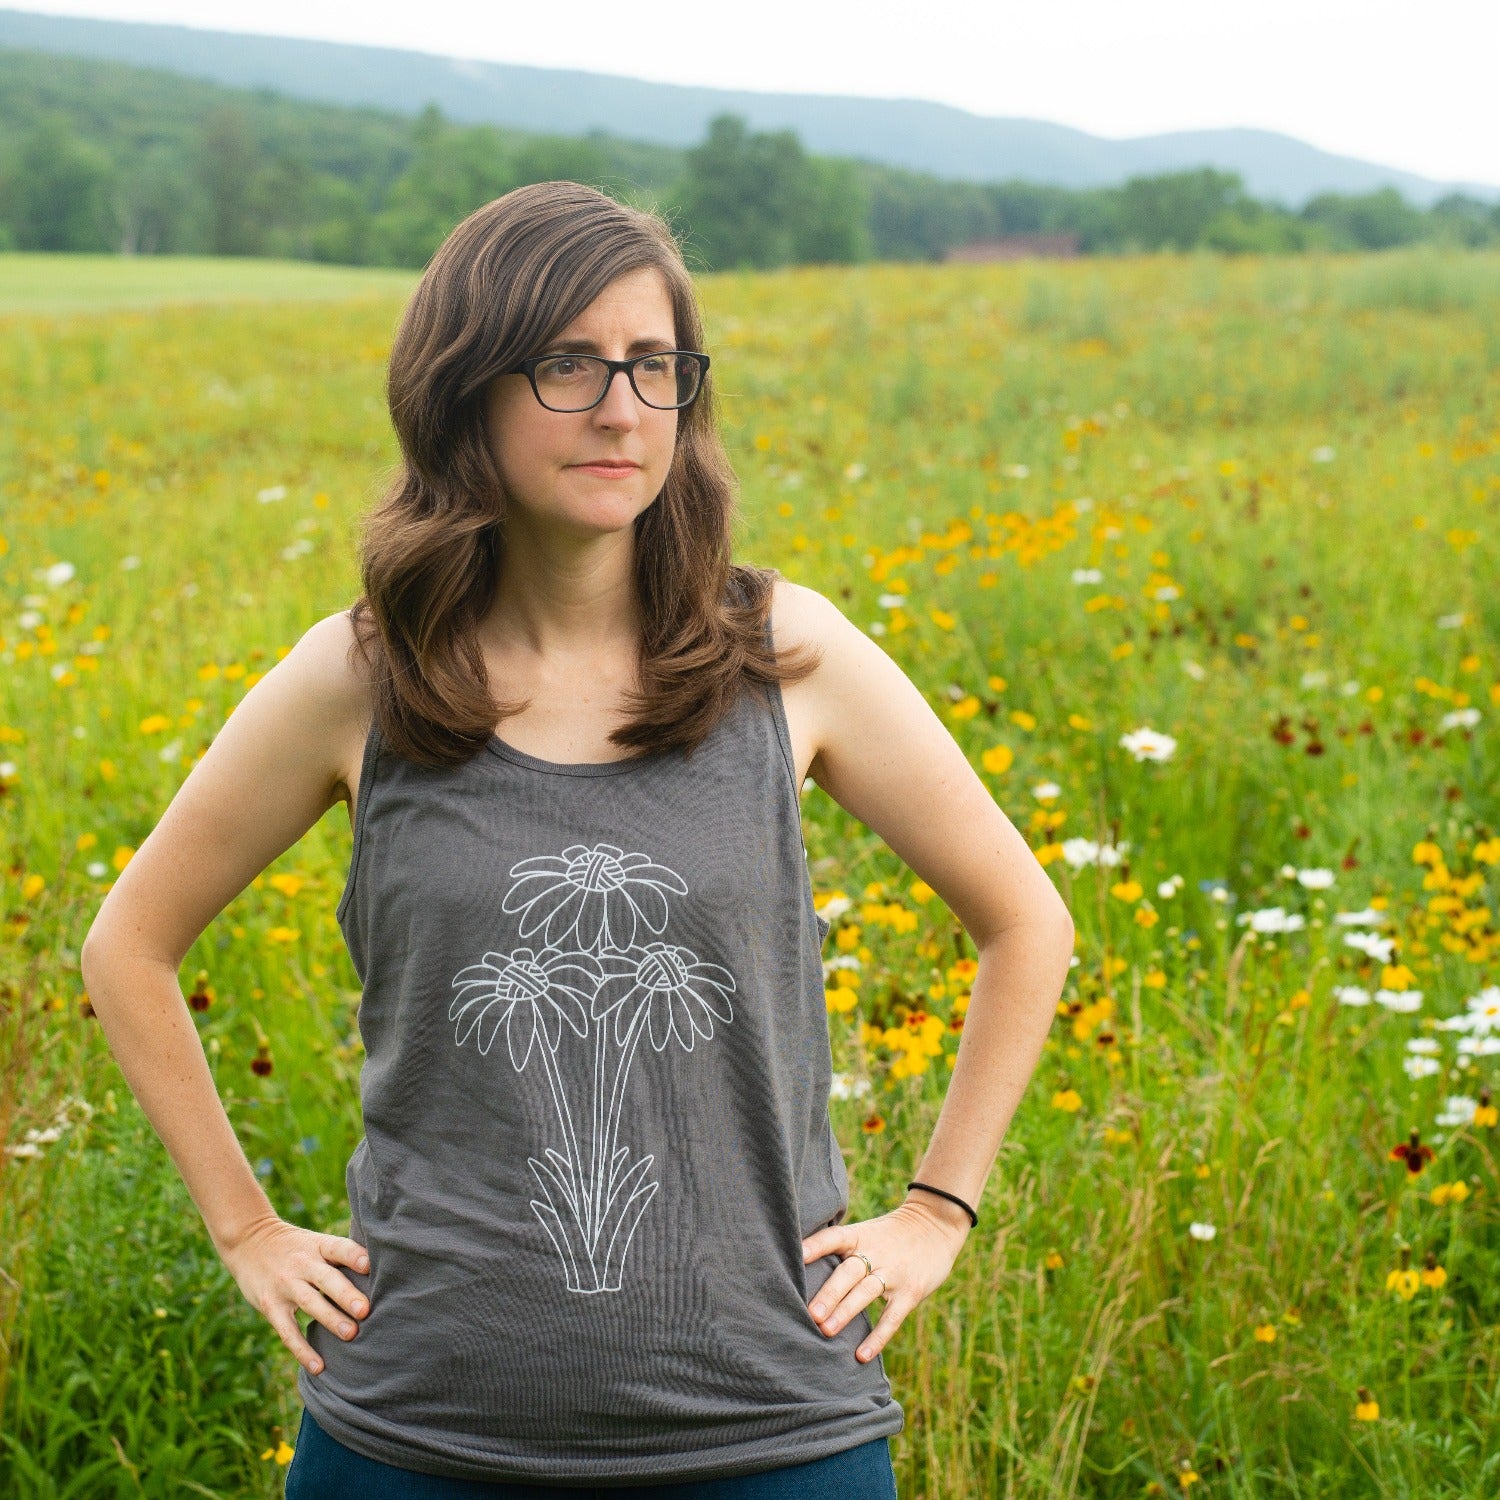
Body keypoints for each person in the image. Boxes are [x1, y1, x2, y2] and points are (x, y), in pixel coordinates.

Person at [80, 181, 1075, 1497]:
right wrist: (246, 1228)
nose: (620, 408)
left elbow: (1028, 922)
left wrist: (937, 1213)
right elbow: (129, 944)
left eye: (654, 367)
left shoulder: (786, 658)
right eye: (567, 364)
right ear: (463, 390)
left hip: (768, 1426)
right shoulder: (361, 678)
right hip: (420, 1433)